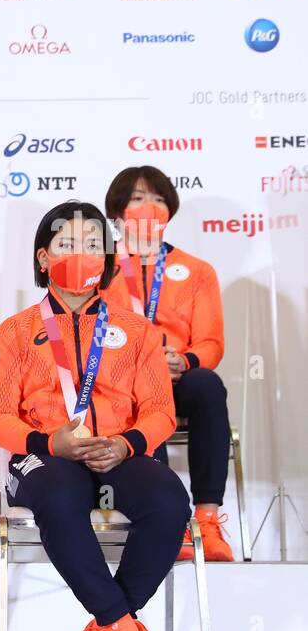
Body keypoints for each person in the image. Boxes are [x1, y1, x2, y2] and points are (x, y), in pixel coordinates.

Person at [0, 201, 189, 631]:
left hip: (120, 452)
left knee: (168, 501)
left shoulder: (138, 332)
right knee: (57, 495)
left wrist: (125, 443)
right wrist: (48, 442)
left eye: (93, 244)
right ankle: (122, 629)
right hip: (45, 457)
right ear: (43, 257)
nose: (82, 254)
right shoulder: (13, 332)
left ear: (109, 258)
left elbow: (160, 411)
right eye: (67, 244)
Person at [103, 165, 235, 562]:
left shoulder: (197, 271)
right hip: (123, 383)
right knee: (139, 399)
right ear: (117, 210)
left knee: (208, 385)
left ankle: (207, 520)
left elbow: (211, 341)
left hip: (179, 379)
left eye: (159, 198)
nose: (150, 206)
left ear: (171, 210)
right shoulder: (99, 269)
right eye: (139, 197)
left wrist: (183, 359)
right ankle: (169, 522)